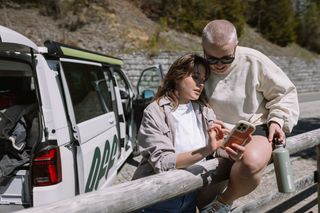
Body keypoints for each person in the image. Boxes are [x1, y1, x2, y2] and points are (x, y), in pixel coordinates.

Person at [199, 19, 300, 213]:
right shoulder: (198, 66)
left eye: (227, 58)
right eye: (212, 58)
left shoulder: (254, 60)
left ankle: (223, 202)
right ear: (203, 48)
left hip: (254, 130)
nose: (219, 65)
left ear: (236, 46)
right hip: (216, 138)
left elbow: (284, 93)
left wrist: (278, 120)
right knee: (202, 200)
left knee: (250, 161)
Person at [132, 53, 236, 213]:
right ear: (177, 76)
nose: (200, 84)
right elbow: (164, 163)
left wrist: (231, 151)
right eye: (195, 77)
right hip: (158, 199)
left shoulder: (204, 110)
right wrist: (206, 150)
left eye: (203, 80)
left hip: (192, 194)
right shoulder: (155, 111)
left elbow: (216, 147)